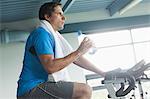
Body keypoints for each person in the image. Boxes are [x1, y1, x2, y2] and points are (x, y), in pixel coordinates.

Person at [17, 2, 105, 99]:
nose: (64, 18)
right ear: (47, 16)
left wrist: (103, 73)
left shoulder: (53, 36)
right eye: (59, 14)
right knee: (84, 91)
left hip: (38, 87)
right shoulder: (42, 34)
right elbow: (50, 67)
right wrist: (79, 51)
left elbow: (77, 59)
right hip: (31, 89)